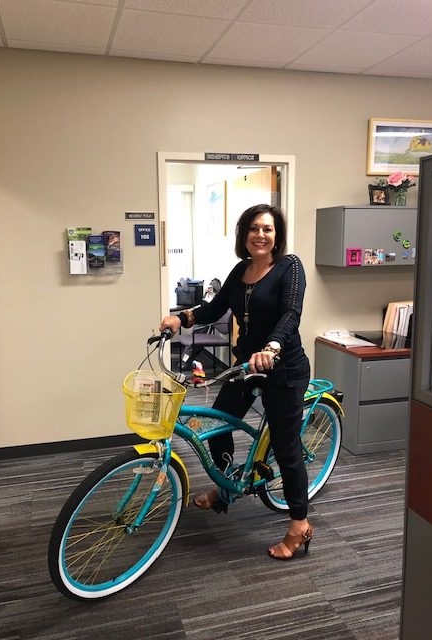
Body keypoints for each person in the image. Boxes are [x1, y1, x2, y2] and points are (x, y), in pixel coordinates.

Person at [160, 204, 312, 560]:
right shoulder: (241, 270)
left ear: (277, 235)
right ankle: (226, 486)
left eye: (268, 229)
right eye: (254, 229)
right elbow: (214, 309)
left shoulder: (290, 267)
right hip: (246, 366)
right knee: (216, 425)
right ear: (244, 235)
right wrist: (181, 318)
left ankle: (299, 526)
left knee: (287, 448)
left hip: (283, 368)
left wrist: (272, 346)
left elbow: (291, 313)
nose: (261, 235)